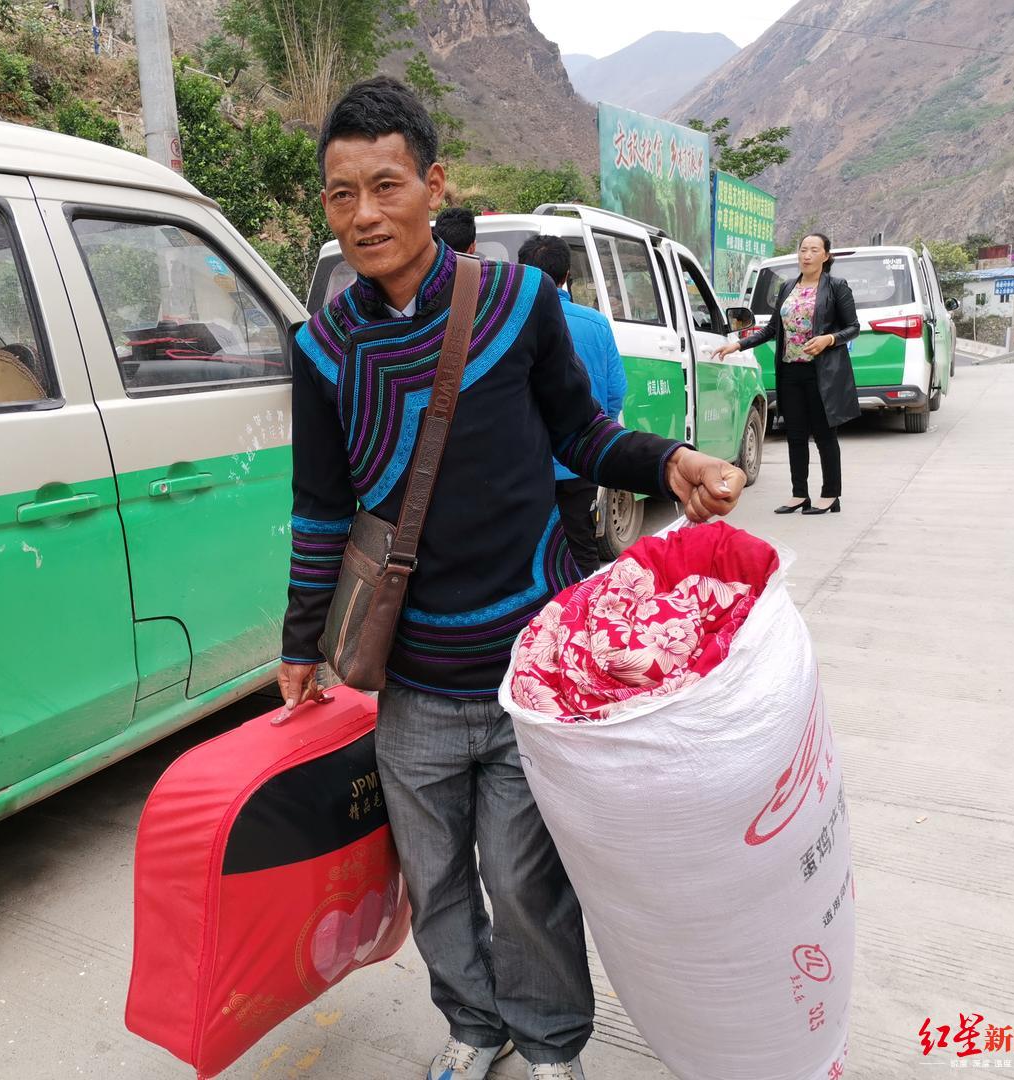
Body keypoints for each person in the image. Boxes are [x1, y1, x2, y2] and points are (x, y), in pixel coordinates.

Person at [278, 76, 746, 1080]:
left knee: (528, 883)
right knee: (436, 881)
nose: (363, 214)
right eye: (340, 194)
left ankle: (549, 1044)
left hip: (532, 669)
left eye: (386, 185)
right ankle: (474, 1026)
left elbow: (583, 432)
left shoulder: (519, 304)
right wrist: (298, 643)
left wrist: (673, 463)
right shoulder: (321, 351)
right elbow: (320, 508)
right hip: (413, 683)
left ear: (433, 182)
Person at [714, 233, 858, 514]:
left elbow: (853, 327)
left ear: (826, 256)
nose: (806, 255)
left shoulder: (837, 287)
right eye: (803, 249)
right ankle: (799, 493)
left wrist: (828, 340)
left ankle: (830, 494)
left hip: (822, 373)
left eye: (814, 250)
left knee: (824, 434)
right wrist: (739, 343)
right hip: (790, 371)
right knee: (795, 434)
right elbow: (772, 329)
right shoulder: (788, 287)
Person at [516, 234, 626, 577]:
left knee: (532, 558)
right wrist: (592, 440)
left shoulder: (508, 323)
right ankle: (587, 619)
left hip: (527, 467)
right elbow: (615, 393)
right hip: (579, 463)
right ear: (567, 274)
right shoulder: (595, 323)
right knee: (582, 547)